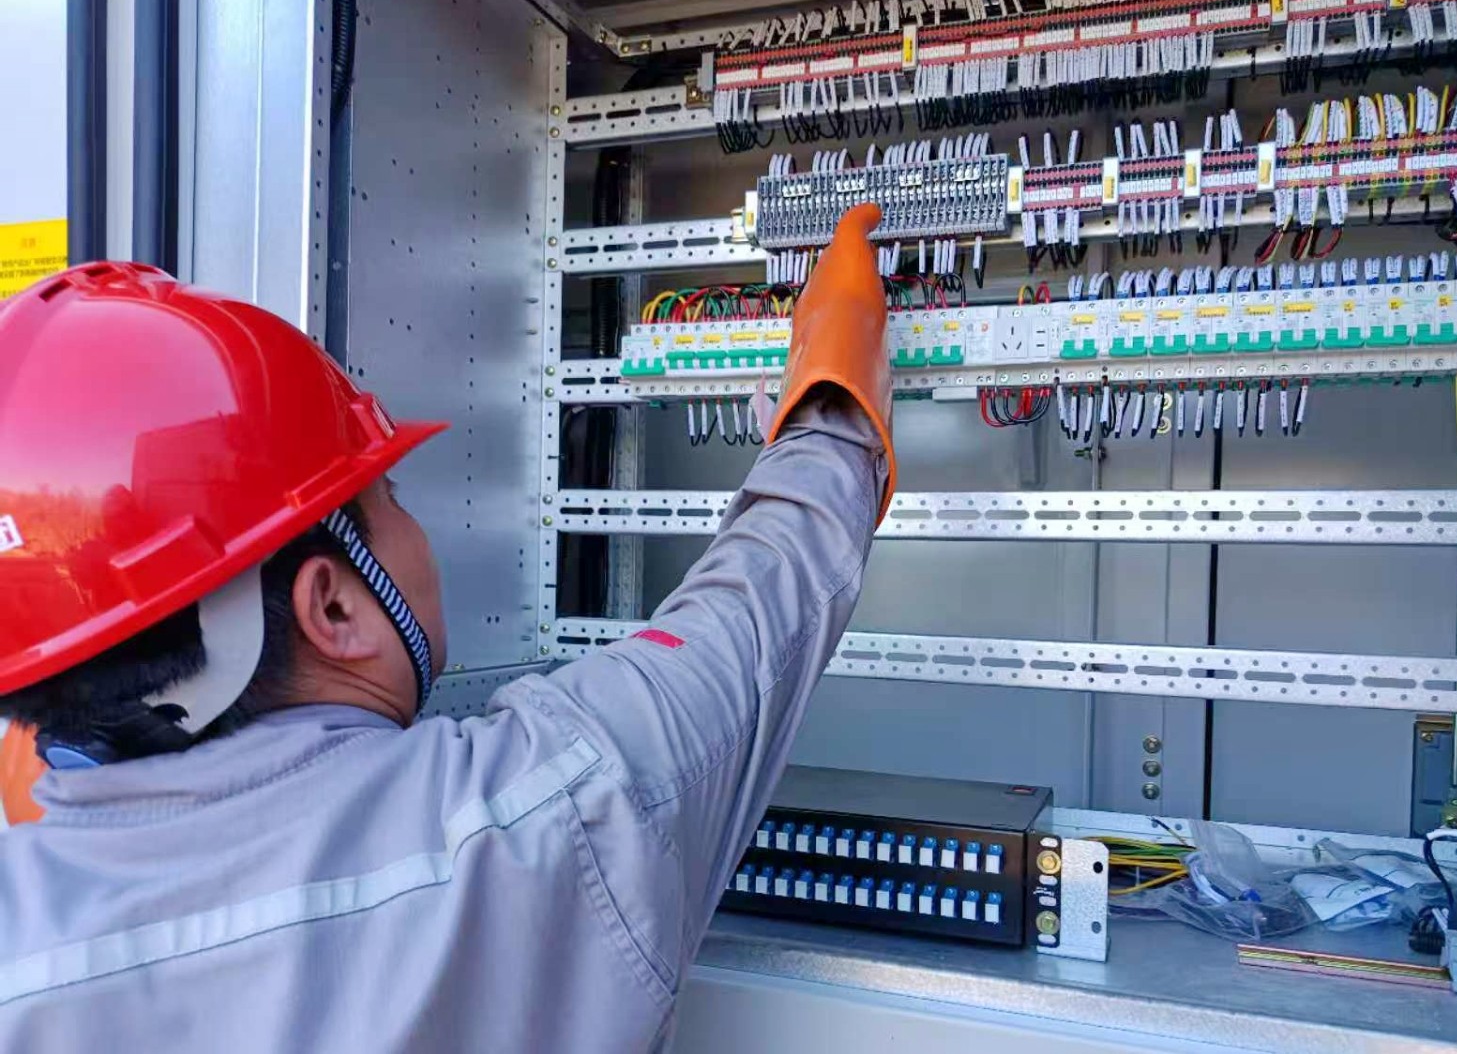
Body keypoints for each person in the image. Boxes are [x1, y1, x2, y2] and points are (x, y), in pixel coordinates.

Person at [0, 205, 893, 1051]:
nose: (417, 531)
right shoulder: (552, 805)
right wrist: (833, 387)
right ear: (333, 608)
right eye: (390, 498)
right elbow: (763, 594)